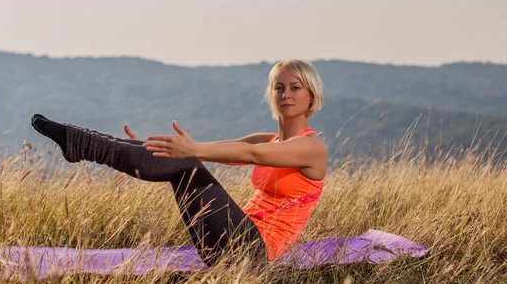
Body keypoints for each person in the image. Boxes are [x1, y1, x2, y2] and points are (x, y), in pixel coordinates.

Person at [31, 59, 327, 267]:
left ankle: (80, 144)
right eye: (279, 88)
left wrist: (188, 150)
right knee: (182, 160)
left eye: (295, 87)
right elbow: (218, 150)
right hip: (229, 238)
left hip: (254, 251)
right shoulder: (267, 138)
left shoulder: (311, 147)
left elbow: (253, 156)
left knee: (186, 162)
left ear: (311, 96)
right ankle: (83, 143)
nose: (285, 94)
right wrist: (143, 148)